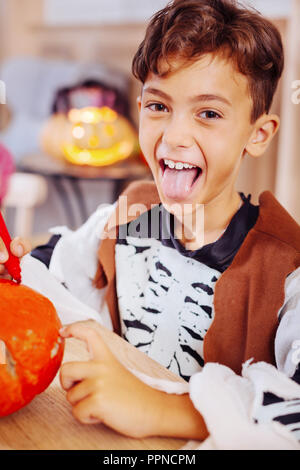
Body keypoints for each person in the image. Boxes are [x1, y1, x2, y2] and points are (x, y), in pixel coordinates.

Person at [1, 0, 300, 444]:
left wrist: (163, 411)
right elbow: (56, 263)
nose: (174, 137)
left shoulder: (287, 266)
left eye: (209, 113)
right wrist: (12, 266)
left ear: (258, 134)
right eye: (158, 106)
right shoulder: (133, 218)